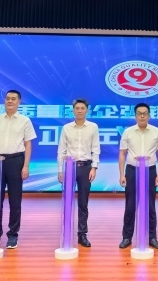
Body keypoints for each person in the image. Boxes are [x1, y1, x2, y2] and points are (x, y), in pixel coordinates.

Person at [0, 89, 37, 249]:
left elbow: (28, 144)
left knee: (15, 201)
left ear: (19, 102)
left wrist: (26, 165)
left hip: (16, 161)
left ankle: (13, 235)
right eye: (7, 98)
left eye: (13, 99)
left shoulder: (25, 120)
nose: (10, 101)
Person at [118, 102, 158, 250]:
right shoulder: (128, 132)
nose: (142, 116)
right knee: (130, 205)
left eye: (145, 113)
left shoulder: (156, 131)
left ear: (149, 115)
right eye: (139, 113)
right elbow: (122, 154)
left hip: (150, 170)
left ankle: (152, 237)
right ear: (135, 115)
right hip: (132, 170)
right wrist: (122, 174)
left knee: (150, 206)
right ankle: (127, 237)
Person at [57, 98, 101, 248]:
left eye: (82, 108)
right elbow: (61, 150)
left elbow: (96, 148)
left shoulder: (93, 127)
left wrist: (94, 167)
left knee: (83, 203)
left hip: (86, 167)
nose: (80, 110)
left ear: (87, 110)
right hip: (69, 167)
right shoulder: (66, 128)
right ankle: (66, 233)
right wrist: (60, 170)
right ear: (73, 110)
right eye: (77, 108)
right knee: (67, 202)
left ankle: (82, 234)